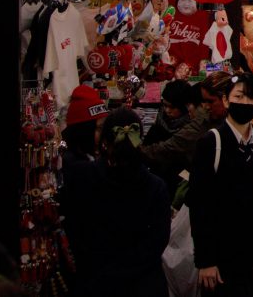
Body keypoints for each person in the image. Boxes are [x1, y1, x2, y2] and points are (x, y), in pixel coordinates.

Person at [62, 107, 171, 297]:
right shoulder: (156, 187)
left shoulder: (83, 177)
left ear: (105, 142)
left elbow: (74, 230)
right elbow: (157, 242)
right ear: (139, 140)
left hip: (97, 281)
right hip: (143, 284)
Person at [187, 73, 253, 296]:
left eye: (251, 98)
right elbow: (200, 205)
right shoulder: (211, 142)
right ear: (226, 100)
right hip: (221, 256)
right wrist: (205, 260)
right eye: (239, 96)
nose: (245, 103)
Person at [142, 80, 216, 194]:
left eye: (172, 107)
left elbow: (166, 148)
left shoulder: (193, 127)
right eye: (165, 105)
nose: (167, 111)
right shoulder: (160, 121)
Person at [62, 84, 107, 168]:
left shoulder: (92, 154)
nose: (103, 133)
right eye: (99, 128)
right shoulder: (77, 165)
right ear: (84, 131)